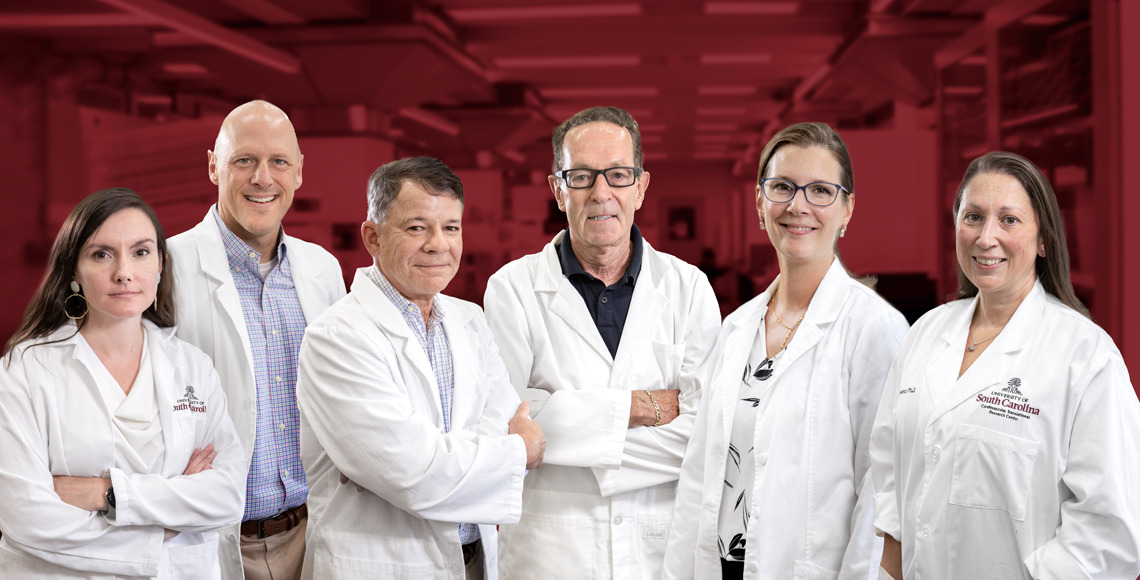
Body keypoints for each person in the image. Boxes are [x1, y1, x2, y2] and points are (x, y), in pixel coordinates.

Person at [870, 151, 1140, 580]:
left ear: (1044, 240)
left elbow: (1109, 531)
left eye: (1009, 220)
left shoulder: (1087, 357)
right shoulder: (924, 333)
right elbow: (887, 474)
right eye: (973, 217)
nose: (985, 236)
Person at [484, 106, 721, 579]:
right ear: (557, 189)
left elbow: (706, 434)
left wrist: (570, 426)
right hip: (551, 553)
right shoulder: (511, 288)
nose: (601, 193)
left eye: (617, 175)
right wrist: (639, 408)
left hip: (659, 552)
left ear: (641, 187)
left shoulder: (688, 288)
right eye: (581, 177)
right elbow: (507, 424)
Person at [664, 122, 909, 579]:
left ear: (847, 209)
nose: (798, 206)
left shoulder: (875, 330)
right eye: (782, 187)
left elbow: (882, 496)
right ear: (760, 203)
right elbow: (699, 478)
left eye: (820, 190)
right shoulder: (737, 328)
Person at [295, 156, 545, 580]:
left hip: (473, 562)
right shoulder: (335, 337)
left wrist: (440, 453)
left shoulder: (471, 320)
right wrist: (518, 450)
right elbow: (415, 474)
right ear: (372, 237)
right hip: (381, 566)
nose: (438, 244)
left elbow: (500, 421)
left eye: (451, 227)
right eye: (416, 228)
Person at [0, 187, 245, 578]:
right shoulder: (27, 368)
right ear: (73, 270)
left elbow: (227, 496)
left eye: (141, 252)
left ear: (161, 264)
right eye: (102, 254)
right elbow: (26, 517)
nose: (124, 272)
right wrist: (165, 526)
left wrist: (108, 495)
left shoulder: (193, 367)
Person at [167, 100, 346, 580]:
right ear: (213, 167)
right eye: (243, 160)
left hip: (315, 532)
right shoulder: (164, 267)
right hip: (215, 537)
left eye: (278, 162)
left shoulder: (323, 270)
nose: (262, 178)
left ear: (300, 172)